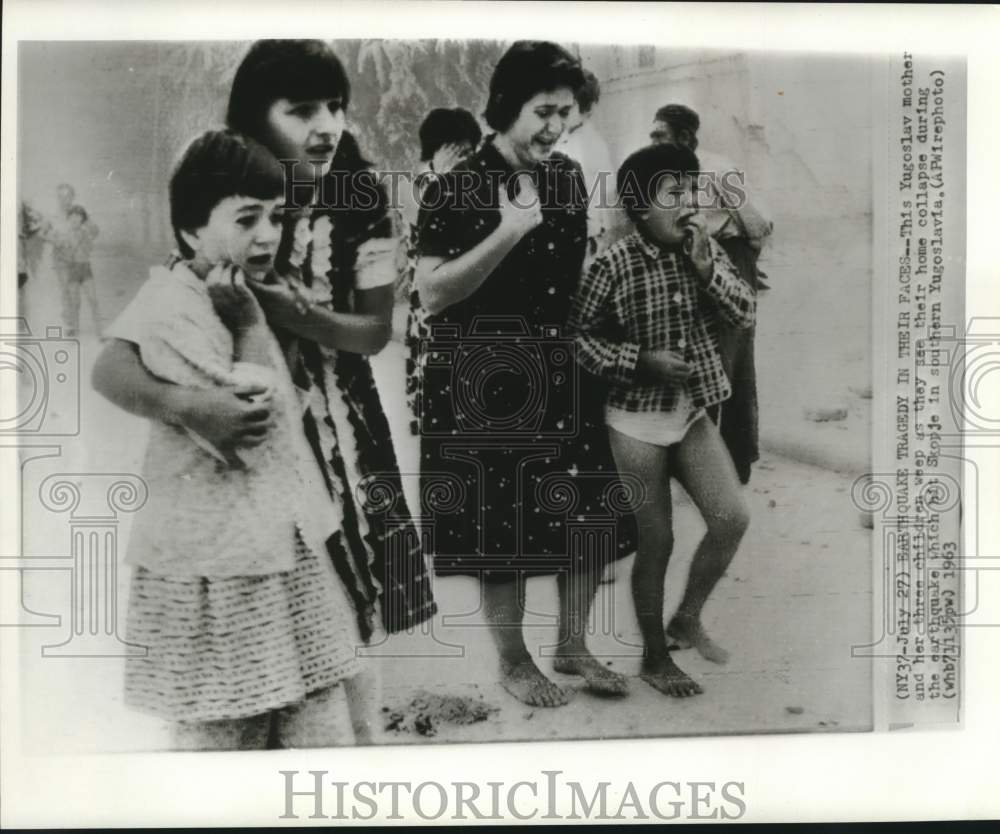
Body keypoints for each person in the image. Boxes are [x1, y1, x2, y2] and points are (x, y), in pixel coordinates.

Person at [92, 40, 436, 649]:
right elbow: (116, 361)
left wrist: (297, 314)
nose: (327, 125)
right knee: (258, 603)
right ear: (256, 117)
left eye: (336, 106)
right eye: (302, 111)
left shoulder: (359, 200)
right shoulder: (225, 191)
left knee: (348, 589)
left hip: (338, 421)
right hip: (239, 430)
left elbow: (376, 332)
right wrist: (189, 407)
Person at [100, 130, 372, 750]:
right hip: (219, 565)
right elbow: (253, 426)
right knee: (228, 729)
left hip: (267, 542)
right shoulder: (180, 305)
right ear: (192, 231)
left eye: (277, 218)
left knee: (314, 714)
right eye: (247, 218)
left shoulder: (225, 286)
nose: (268, 234)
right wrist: (247, 330)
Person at [415, 41, 638, 707]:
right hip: (480, 374)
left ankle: (571, 645)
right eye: (544, 111)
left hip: (557, 362)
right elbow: (430, 292)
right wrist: (509, 230)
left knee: (592, 509)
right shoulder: (454, 187)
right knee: (500, 528)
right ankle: (514, 661)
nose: (555, 127)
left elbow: (573, 278)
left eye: (566, 114)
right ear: (507, 105)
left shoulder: (568, 178)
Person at [567, 143, 754, 696]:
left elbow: (744, 311)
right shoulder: (611, 263)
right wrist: (638, 361)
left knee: (731, 518)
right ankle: (653, 656)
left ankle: (686, 618)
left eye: (690, 190)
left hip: (690, 412)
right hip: (634, 422)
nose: (689, 202)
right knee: (658, 540)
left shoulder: (704, 252)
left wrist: (708, 271)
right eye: (673, 194)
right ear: (638, 209)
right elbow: (578, 339)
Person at [651, 104, 774, 484]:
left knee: (731, 362)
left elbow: (757, 222)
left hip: (729, 261)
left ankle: (735, 464)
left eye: (660, 135)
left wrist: (740, 259)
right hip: (689, 265)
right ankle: (697, 467)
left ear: (684, 138)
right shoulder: (661, 174)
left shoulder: (717, 168)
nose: (653, 142)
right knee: (696, 363)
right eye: (652, 136)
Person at [403, 107, 483, 436]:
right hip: (430, 299)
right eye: (463, 150)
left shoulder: (458, 180)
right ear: (440, 148)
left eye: (472, 151)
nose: (470, 159)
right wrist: (443, 178)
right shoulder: (419, 185)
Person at [556, 69, 616, 267]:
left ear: (586, 109)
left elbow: (606, 197)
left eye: (568, 107)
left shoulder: (593, 146)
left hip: (586, 238)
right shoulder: (560, 141)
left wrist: (603, 241)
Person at [46, 184, 102, 337]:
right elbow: (46, 234)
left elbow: (95, 232)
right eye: (61, 197)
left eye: (67, 196)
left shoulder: (79, 213)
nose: (64, 200)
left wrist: (86, 227)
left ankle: (78, 325)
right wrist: (55, 240)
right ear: (57, 198)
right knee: (66, 291)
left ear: (72, 197)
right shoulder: (53, 215)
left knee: (77, 293)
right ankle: (70, 324)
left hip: (78, 260)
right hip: (60, 260)